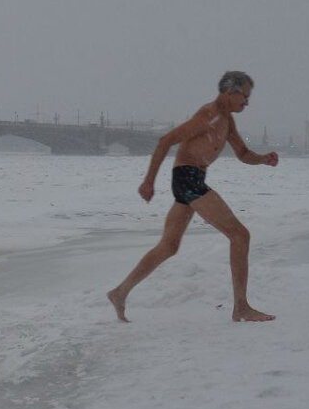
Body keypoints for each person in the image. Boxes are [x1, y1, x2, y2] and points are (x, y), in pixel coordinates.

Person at [107, 71, 278, 323]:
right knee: (240, 235)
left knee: (169, 246)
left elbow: (242, 153)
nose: (247, 103)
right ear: (230, 92)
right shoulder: (208, 116)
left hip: (192, 180)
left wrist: (263, 159)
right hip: (187, 179)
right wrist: (148, 181)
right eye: (245, 97)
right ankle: (241, 307)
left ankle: (120, 293)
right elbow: (166, 141)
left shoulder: (227, 121)